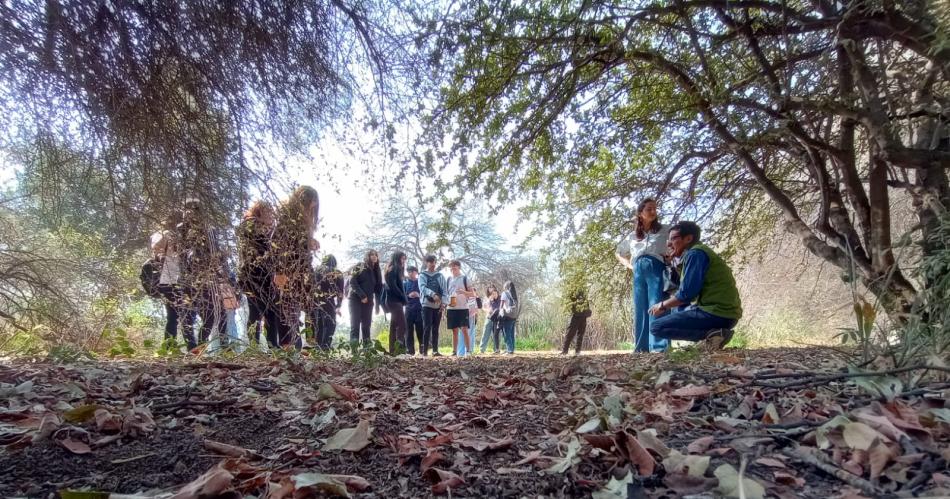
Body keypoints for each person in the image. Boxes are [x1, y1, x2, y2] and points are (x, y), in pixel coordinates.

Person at [648, 221, 743, 349]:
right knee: (677, 309)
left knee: (656, 327)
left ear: (688, 238)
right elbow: (684, 289)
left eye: (673, 239)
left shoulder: (695, 254)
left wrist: (661, 305)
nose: (669, 243)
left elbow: (686, 294)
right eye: (668, 240)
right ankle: (714, 336)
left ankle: (711, 336)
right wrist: (673, 264)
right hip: (726, 314)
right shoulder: (697, 253)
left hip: (717, 313)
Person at [616, 198, 671, 353]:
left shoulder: (665, 230)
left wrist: (671, 256)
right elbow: (619, 252)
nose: (653, 211)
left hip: (656, 266)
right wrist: (630, 266)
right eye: (649, 209)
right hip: (638, 270)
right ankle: (641, 347)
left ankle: (660, 347)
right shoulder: (632, 236)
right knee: (640, 307)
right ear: (640, 213)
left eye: (655, 208)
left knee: (658, 304)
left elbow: (676, 243)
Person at [272, 186, 320, 348]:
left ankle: (308, 343)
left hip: (304, 268)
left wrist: (310, 242)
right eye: (311, 201)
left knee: (310, 304)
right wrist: (279, 271)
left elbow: (298, 243)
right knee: (287, 307)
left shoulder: (304, 223)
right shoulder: (287, 218)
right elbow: (277, 242)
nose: (313, 205)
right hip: (289, 269)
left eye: (315, 202)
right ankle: (289, 346)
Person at [177, 198, 227, 349]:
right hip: (186, 277)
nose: (190, 214)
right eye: (187, 210)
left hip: (206, 278)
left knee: (211, 314)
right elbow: (179, 254)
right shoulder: (180, 230)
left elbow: (216, 253)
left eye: (194, 210)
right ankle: (192, 348)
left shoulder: (209, 230)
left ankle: (201, 344)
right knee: (186, 315)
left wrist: (221, 275)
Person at [236, 200, 280, 348]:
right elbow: (258, 253)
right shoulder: (250, 225)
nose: (272, 217)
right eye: (270, 213)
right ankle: (267, 345)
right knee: (262, 312)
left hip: (262, 277)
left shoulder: (260, 228)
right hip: (254, 277)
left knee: (266, 312)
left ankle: (267, 345)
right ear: (260, 211)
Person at [150, 211, 185, 347]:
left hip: (168, 278)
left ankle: (170, 345)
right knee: (174, 315)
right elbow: (159, 253)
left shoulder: (159, 235)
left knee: (173, 315)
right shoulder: (168, 235)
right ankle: (170, 346)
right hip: (169, 277)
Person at [348, 249, 382, 347]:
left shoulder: (377, 270)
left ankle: (367, 350)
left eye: (376, 254)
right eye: (372, 254)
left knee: (366, 326)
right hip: (355, 299)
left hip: (369, 301)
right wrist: (362, 295)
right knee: (355, 325)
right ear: (367, 256)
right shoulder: (360, 266)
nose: (374, 256)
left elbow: (378, 289)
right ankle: (354, 351)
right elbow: (352, 282)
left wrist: (377, 305)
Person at [311, 254, 344, 350]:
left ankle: (318, 345)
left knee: (319, 323)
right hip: (329, 300)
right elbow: (340, 291)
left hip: (316, 300)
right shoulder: (337, 273)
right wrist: (339, 304)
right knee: (330, 323)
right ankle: (325, 345)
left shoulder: (317, 271)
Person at [444, 261, 475, 356]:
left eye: (454, 267)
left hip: (463, 308)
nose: (452, 269)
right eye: (451, 268)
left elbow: (473, 294)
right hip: (451, 308)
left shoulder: (465, 279)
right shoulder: (448, 279)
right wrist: (446, 303)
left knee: (464, 329)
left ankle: (469, 351)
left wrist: (463, 292)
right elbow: (446, 294)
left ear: (459, 268)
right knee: (454, 331)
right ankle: (454, 352)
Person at [418, 255, 447, 356]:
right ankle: (424, 351)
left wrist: (443, 303)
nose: (432, 264)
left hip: (438, 306)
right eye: (430, 262)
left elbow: (445, 290)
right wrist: (432, 294)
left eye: (434, 262)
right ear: (426, 263)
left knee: (436, 328)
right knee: (427, 327)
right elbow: (422, 288)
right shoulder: (422, 275)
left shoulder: (440, 276)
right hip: (426, 305)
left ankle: (435, 350)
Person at [384, 251, 409, 354]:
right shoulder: (394, 268)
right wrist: (403, 297)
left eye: (404, 259)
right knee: (402, 325)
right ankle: (399, 350)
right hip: (394, 301)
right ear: (397, 258)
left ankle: (393, 351)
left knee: (394, 325)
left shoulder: (392, 268)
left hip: (393, 301)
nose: (403, 261)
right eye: (402, 259)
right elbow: (393, 286)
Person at [561, 286, 592, 355]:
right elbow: (571, 299)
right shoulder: (574, 293)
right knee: (570, 334)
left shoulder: (584, 295)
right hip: (576, 317)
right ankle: (565, 351)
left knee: (580, 334)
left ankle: (577, 351)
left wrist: (587, 313)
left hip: (583, 317)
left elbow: (587, 306)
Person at [403, 266, 424, 355]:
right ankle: (410, 351)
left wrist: (418, 295)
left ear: (416, 272)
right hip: (408, 309)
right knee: (408, 330)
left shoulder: (421, 282)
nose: (411, 273)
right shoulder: (404, 284)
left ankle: (423, 350)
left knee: (420, 330)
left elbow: (425, 294)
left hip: (419, 309)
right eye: (409, 272)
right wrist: (408, 295)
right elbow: (402, 296)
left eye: (412, 271)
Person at [479, 284, 502, 354]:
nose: (491, 289)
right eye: (489, 287)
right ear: (488, 289)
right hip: (488, 317)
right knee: (485, 333)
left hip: (496, 318)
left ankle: (496, 349)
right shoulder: (486, 298)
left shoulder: (498, 296)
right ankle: (482, 350)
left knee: (496, 334)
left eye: (492, 287)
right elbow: (483, 307)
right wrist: (487, 310)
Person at [498, 280, 519, 354]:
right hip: (514, 316)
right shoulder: (515, 295)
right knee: (511, 333)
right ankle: (511, 349)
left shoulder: (505, 293)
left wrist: (500, 313)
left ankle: (509, 350)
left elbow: (501, 305)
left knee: (506, 333)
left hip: (507, 315)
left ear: (506, 286)